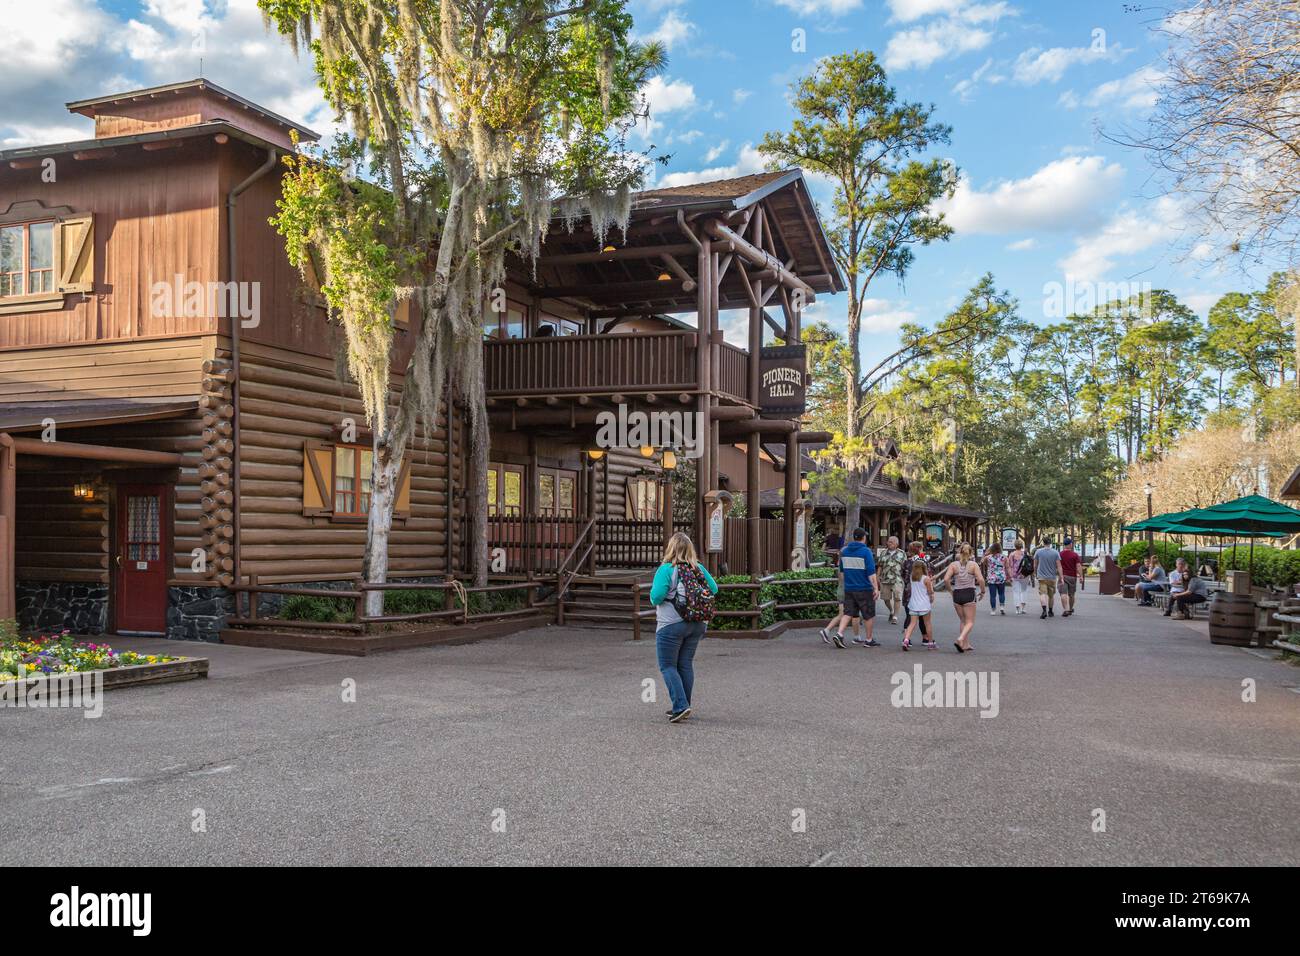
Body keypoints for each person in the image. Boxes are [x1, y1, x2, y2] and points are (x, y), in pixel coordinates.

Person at [649, 532, 719, 723]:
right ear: (690, 549)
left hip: (671, 625)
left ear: (671, 548)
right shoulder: (699, 569)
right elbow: (714, 589)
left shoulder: (665, 569)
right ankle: (683, 704)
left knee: (668, 666)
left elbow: (656, 597)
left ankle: (680, 706)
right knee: (685, 664)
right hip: (697, 624)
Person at [822, 527, 878, 649]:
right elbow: (871, 573)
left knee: (848, 613)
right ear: (863, 538)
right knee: (868, 614)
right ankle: (869, 639)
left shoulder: (845, 551)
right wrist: (876, 588)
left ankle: (839, 633)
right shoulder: (866, 552)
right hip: (864, 588)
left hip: (849, 588)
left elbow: (841, 572)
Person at [942, 543, 986, 653]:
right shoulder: (973, 565)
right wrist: (983, 591)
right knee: (970, 622)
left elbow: (946, 579)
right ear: (971, 553)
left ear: (959, 552)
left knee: (963, 620)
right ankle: (960, 639)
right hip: (969, 593)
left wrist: (951, 591)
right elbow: (980, 580)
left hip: (957, 594)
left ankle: (965, 644)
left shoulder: (953, 565)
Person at [902, 558, 936, 651]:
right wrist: (931, 585)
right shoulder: (926, 579)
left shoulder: (912, 577)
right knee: (927, 623)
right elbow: (930, 591)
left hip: (913, 604)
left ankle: (906, 640)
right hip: (924, 605)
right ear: (924, 568)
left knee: (912, 624)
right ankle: (930, 643)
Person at [900, 541, 930, 642]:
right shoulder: (923, 561)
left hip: (908, 591)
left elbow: (902, 575)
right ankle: (925, 638)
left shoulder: (906, 562)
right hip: (921, 591)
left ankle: (906, 638)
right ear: (919, 549)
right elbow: (929, 572)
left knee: (909, 616)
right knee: (923, 616)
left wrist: (908, 582)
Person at [875, 535, 906, 625]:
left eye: (891, 542)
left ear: (896, 544)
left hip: (897, 579)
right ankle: (891, 610)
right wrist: (877, 577)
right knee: (885, 598)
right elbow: (880, 565)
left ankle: (895, 617)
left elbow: (905, 567)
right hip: (885, 578)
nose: (889, 543)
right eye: (888, 541)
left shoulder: (902, 553)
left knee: (897, 598)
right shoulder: (883, 553)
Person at [1034, 539, 1064, 619]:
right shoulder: (1055, 553)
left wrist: (1035, 574)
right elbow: (1059, 566)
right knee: (1051, 596)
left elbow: (1035, 565)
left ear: (1043, 543)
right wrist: (1061, 577)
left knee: (1042, 594)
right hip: (1052, 578)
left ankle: (1044, 610)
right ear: (1050, 543)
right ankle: (1050, 611)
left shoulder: (1038, 552)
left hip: (1041, 577)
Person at [981, 541, 1008, 616]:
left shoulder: (988, 557)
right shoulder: (1004, 557)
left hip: (991, 578)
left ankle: (993, 610)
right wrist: (1009, 576)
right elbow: (1007, 567)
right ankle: (1002, 607)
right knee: (1001, 593)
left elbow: (982, 562)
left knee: (992, 595)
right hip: (1001, 577)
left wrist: (986, 553)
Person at [1058, 538, 1082, 617]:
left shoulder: (1060, 554)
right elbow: (1078, 566)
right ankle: (1070, 609)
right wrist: (1081, 576)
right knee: (1071, 594)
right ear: (1070, 544)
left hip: (1063, 576)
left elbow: (1057, 565)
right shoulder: (1075, 555)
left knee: (1063, 593)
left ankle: (1066, 609)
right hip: (1072, 577)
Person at [1008, 537, 1031, 614]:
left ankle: (1017, 609)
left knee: (1016, 592)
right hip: (1024, 575)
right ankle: (1023, 608)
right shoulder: (1025, 553)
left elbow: (1010, 566)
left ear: (1015, 546)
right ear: (1021, 546)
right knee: (1024, 591)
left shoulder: (1012, 554)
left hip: (1015, 575)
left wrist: (1010, 576)